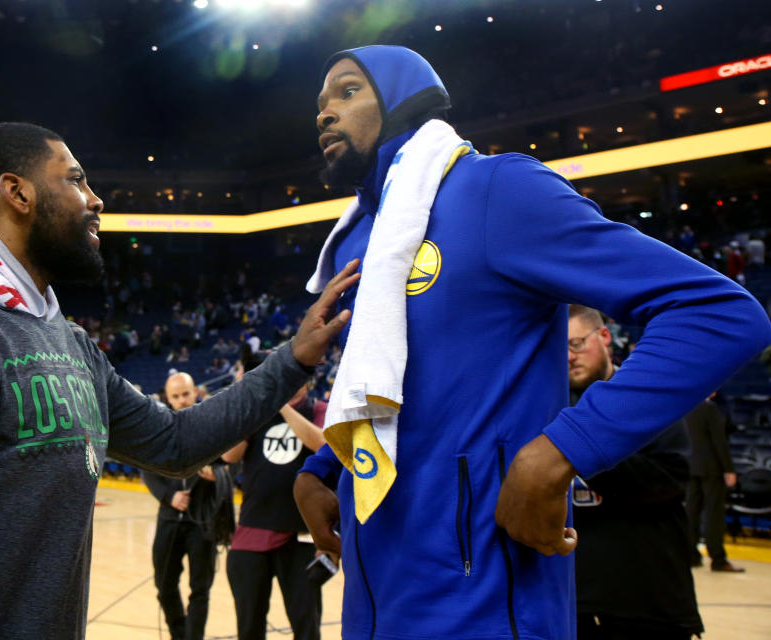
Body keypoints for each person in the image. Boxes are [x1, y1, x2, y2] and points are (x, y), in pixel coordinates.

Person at [293, 46, 770, 640]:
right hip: (374, 596)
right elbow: (384, 375)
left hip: (484, 596)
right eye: (320, 103)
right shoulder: (357, 239)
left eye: (346, 92)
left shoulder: (497, 189)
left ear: (403, 101)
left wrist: (557, 452)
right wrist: (319, 468)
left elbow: (718, 313)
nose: (324, 114)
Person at [0, 122, 359, 640]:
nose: (95, 199)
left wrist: (292, 359)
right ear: (18, 193)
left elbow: (175, 442)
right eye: (76, 180)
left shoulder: (67, 340)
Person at [566, 305, 703, 639]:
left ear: (604, 336)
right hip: (571, 606)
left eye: (576, 343)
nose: (568, 356)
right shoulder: (544, 405)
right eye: (559, 348)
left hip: (648, 603)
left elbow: (667, 481)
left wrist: (576, 444)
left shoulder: (650, 397)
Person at [222, 364, 328, 640]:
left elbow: (322, 443)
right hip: (252, 532)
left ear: (307, 380)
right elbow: (230, 456)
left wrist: (280, 404)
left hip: (301, 535)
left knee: (307, 627)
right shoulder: (258, 413)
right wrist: (247, 399)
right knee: (249, 626)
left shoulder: (318, 409)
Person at [144, 372, 233, 640]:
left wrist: (217, 475)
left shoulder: (214, 424)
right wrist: (169, 496)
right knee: (164, 585)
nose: (182, 400)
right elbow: (147, 469)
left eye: (186, 394)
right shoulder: (159, 428)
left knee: (200, 589)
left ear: (196, 392)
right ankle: (180, 634)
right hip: (169, 517)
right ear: (168, 399)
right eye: (176, 396)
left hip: (203, 519)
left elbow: (231, 462)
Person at [685, 393, 744, 572]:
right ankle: (718, 559)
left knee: (691, 513)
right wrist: (729, 468)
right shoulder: (709, 409)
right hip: (711, 468)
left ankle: (690, 556)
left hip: (690, 466)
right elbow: (719, 441)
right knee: (714, 514)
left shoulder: (685, 407)